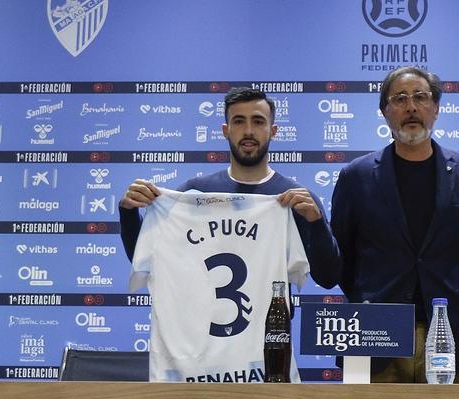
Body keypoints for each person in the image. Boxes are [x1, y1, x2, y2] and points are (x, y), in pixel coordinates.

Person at [330, 67, 459, 383]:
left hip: (453, 334)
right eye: (399, 99)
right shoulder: (355, 177)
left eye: (421, 97)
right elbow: (341, 263)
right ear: (385, 112)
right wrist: (374, 299)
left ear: (437, 109)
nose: (411, 107)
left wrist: (458, 291)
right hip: (375, 338)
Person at [118, 87, 340, 289]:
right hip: (198, 329)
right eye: (239, 121)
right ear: (226, 130)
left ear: (273, 130)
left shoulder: (297, 200)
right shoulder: (194, 194)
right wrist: (128, 213)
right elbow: (148, 262)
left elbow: (328, 278)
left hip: (270, 331)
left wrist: (316, 223)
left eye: (259, 121)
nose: (249, 131)